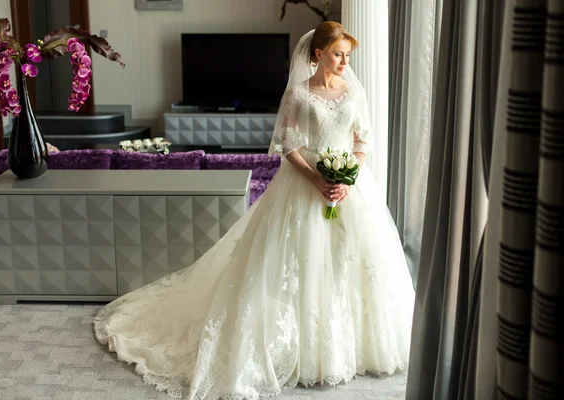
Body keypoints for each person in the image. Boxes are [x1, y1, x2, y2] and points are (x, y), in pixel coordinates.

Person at [93, 21, 415, 400]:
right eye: (337, 54)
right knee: (299, 264)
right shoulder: (299, 94)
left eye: (347, 55)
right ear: (318, 55)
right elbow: (288, 146)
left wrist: (347, 177)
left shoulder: (353, 93)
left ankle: (351, 345)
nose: (345, 61)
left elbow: (363, 141)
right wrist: (317, 180)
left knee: (353, 262)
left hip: (349, 189)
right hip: (305, 184)